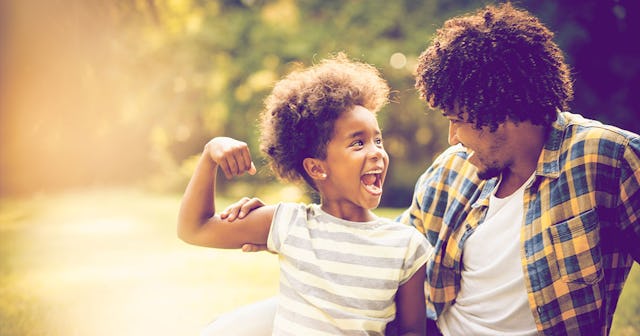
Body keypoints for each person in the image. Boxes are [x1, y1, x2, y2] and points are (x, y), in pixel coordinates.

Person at [220, 3, 640, 336]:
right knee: (240, 327)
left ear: (503, 109)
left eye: (459, 118)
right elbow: (384, 245)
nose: (453, 136)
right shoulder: (452, 172)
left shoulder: (607, 159)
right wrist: (291, 230)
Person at [177, 54, 430, 336]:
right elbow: (194, 229)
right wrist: (211, 153)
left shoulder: (406, 245)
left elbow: (411, 331)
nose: (377, 152)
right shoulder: (289, 223)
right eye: (358, 143)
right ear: (316, 168)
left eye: (378, 140)